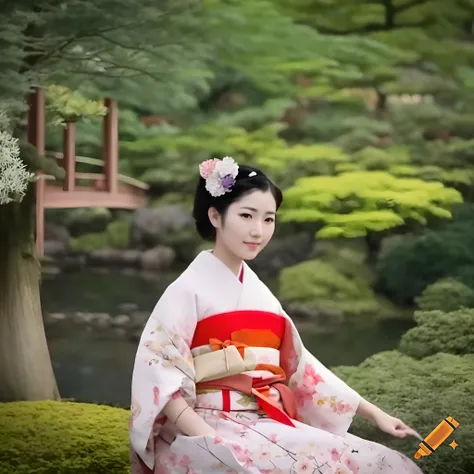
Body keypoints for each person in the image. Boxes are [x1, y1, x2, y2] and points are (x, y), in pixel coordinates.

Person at [129, 157, 424, 474]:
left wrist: (375, 414)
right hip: (206, 430)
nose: (258, 231)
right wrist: (211, 442)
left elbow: (302, 368)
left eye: (268, 219)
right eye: (246, 215)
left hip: (267, 423)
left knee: (391, 465)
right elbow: (161, 380)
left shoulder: (262, 295)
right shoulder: (186, 290)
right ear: (215, 215)